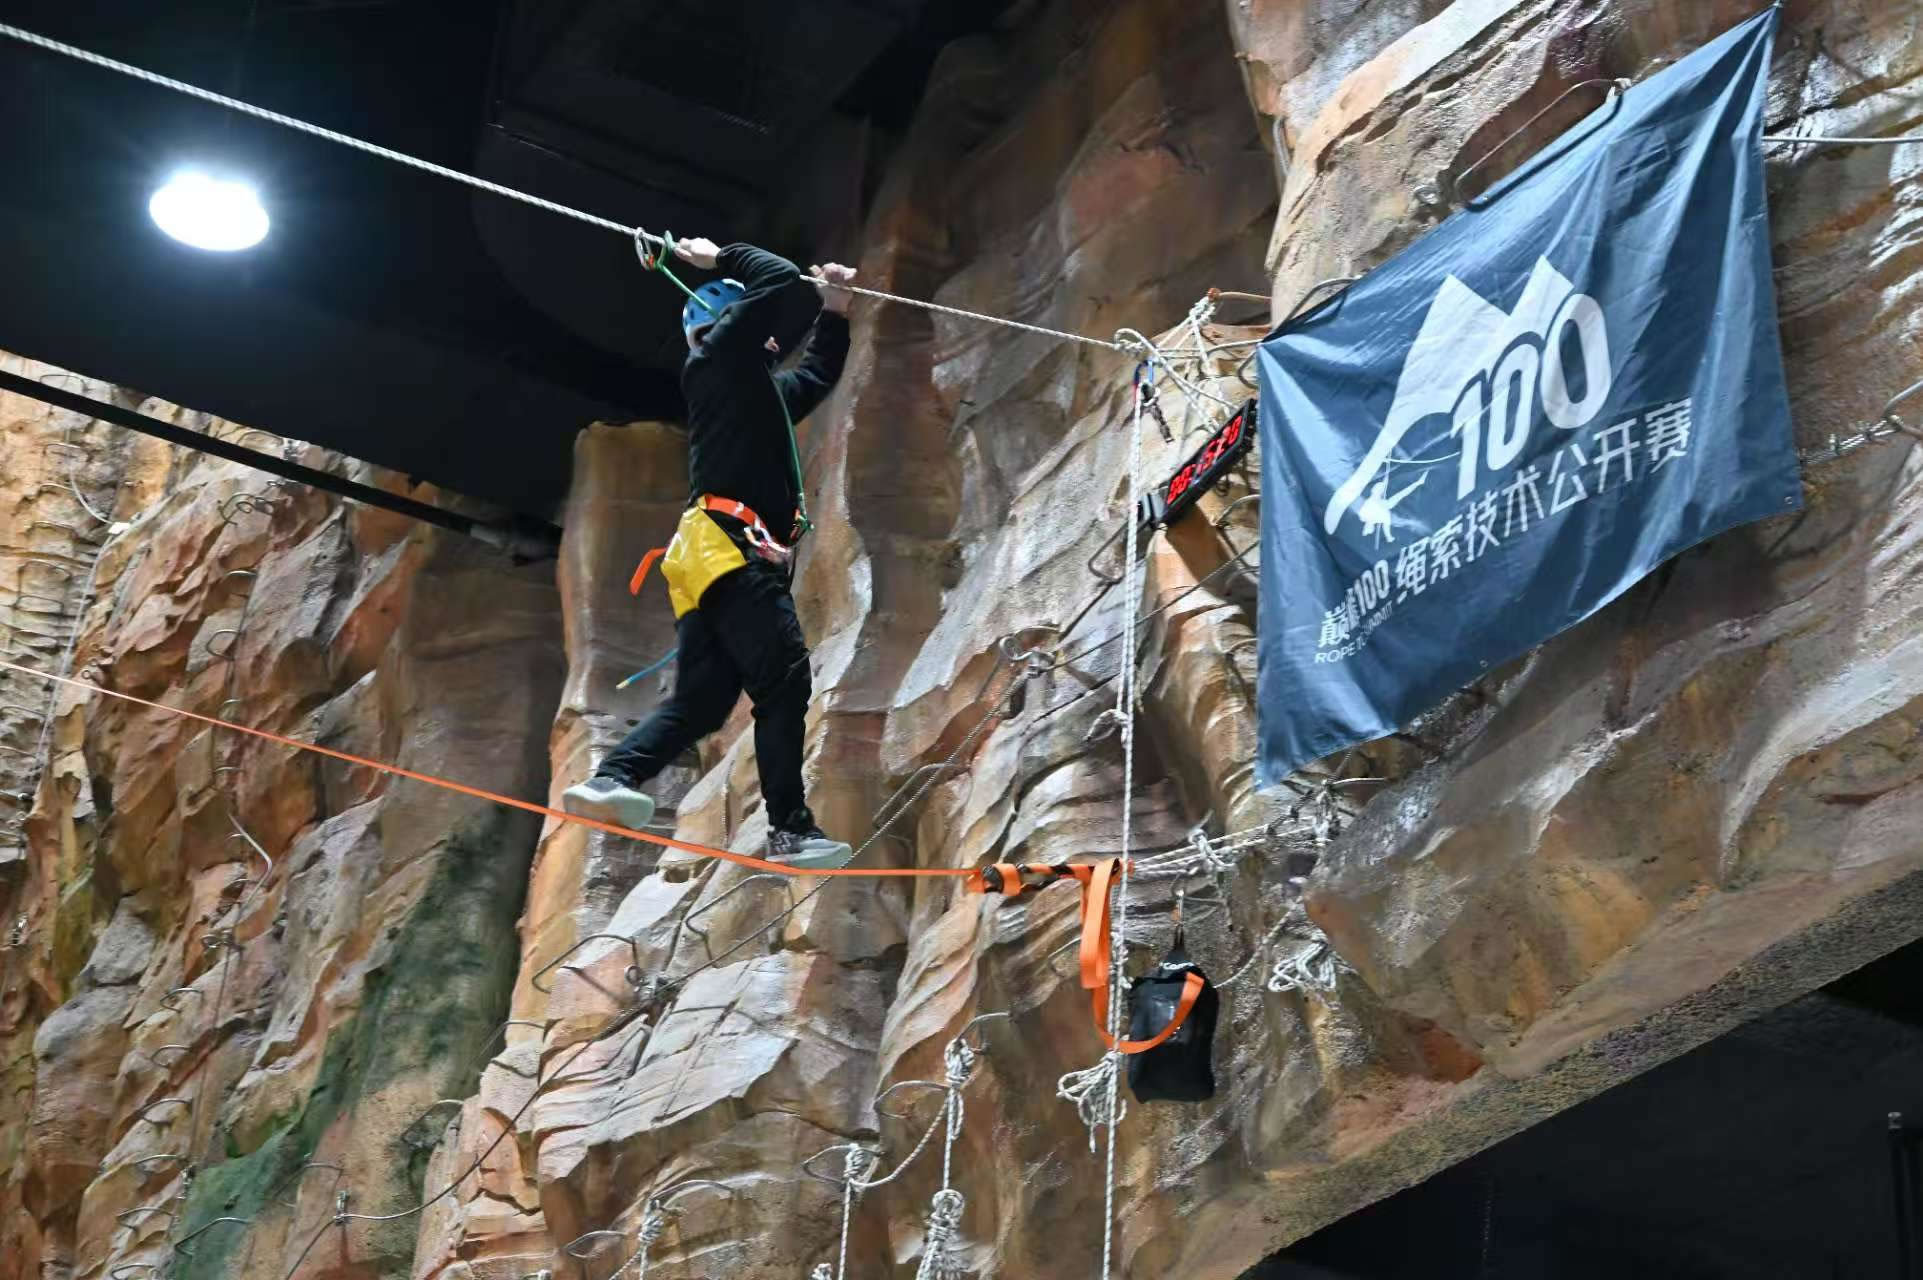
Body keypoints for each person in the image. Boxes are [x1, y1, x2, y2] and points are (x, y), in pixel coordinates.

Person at [563, 236, 858, 869]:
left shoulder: (754, 392)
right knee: (783, 679)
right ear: (727, 325)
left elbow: (817, 374)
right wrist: (714, 256)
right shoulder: (720, 358)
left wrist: (835, 309)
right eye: (759, 326)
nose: (773, 337)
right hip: (727, 549)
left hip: (709, 553)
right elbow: (777, 276)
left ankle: (612, 778)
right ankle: (789, 829)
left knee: (702, 702)